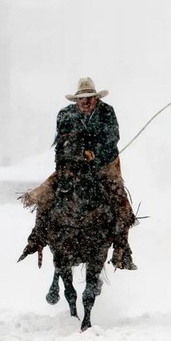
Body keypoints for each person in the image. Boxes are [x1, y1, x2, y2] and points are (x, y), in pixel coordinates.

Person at [21, 77, 138, 270]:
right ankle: (37, 236)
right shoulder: (64, 115)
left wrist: (95, 155)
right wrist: (72, 159)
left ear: (96, 98)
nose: (85, 102)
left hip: (104, 165)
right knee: (43, 194)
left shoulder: (107, 112)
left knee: (120, 200)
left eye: (89, 98)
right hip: (72, 165)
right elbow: (60, 144)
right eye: (81, 98)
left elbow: (112, 139)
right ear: (76, 100)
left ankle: (121, 249)